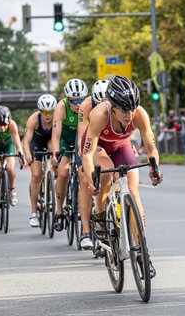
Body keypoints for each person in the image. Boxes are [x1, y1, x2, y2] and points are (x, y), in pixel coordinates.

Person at [82, 75, 163, 278]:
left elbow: (151, 146)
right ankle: (100, 214)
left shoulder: (139, 114)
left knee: (134, 194)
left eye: (133, 108)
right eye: (125, 110)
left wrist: (154, 168)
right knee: (106, 173)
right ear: (113, 107)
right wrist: (92, 179)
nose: (129, 115)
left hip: (121, 146)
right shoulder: (100, 114)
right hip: (98, 147)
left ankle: (143, 253)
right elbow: (87, 154)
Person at [51, 78, 88, 232]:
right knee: (63, 173)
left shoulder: (88, 106)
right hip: (65, 140)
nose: (78, 104)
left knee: (84, 173)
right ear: (68, 99)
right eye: (74, 101)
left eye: (81, 100)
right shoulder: (61, 107)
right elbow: (55, 135)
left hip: (81, 138)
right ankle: (59, 210)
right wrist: (55, 154)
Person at [76, 79, 109, 249]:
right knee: (84, 177)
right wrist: (83, 156)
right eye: (99, 103)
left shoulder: (115, 104)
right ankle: (86, 231)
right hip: (89, 139)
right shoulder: (86, 106)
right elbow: (83, 132)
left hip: (109, 140)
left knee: (114, 171)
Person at [22, 94, 58, 227]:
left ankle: (53, 182)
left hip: (50, 141)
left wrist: (55, 155)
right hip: (36, 142)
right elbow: (26, 141)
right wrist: (27, 155)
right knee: (36, 174)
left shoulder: (57, 118)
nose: (48, 116)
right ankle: (33, 213)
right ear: (39, 110)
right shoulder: (33, 119)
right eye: (44, 112)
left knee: (56, 158)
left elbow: (57, 138)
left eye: (50, 112)